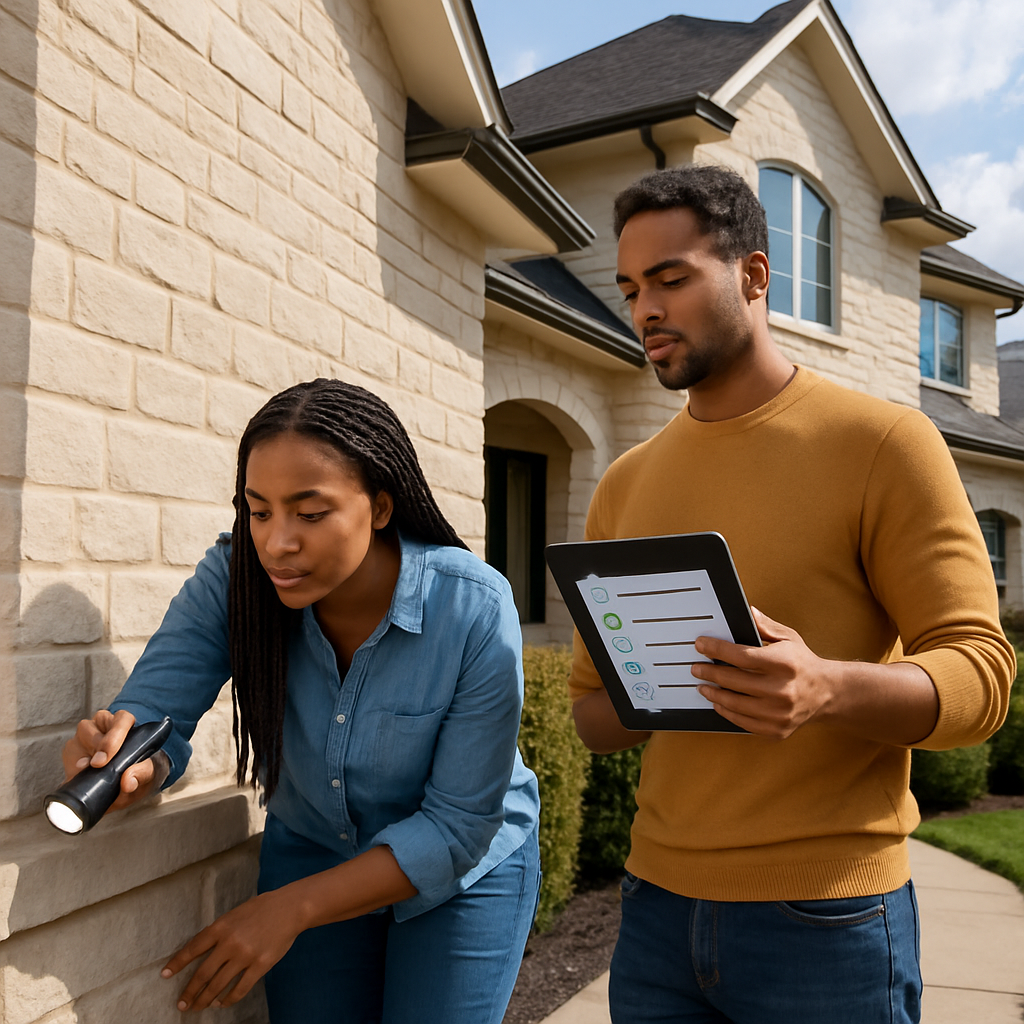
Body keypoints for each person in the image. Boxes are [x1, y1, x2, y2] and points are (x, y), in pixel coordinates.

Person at [568, 165, 1015, 1024]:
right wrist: (666, 680)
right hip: (656, 911)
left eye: (671, 278)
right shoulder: (623, 483)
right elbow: (594, 715)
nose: (645, 310)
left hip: (829, 917)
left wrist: (827, 687)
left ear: (755, 275)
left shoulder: (884, 443)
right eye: (630, 288)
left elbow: (982, 677)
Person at [61, 379, 541, 1023]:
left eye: (309, 514)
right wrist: (129, 765)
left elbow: (456, 827)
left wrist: (289, 908)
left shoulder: (473, 607)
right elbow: (157, 714)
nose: (277, 543)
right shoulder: (236, 577)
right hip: (314, 842)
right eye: (259, 512)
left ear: (379, 506)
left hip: (463, 872)